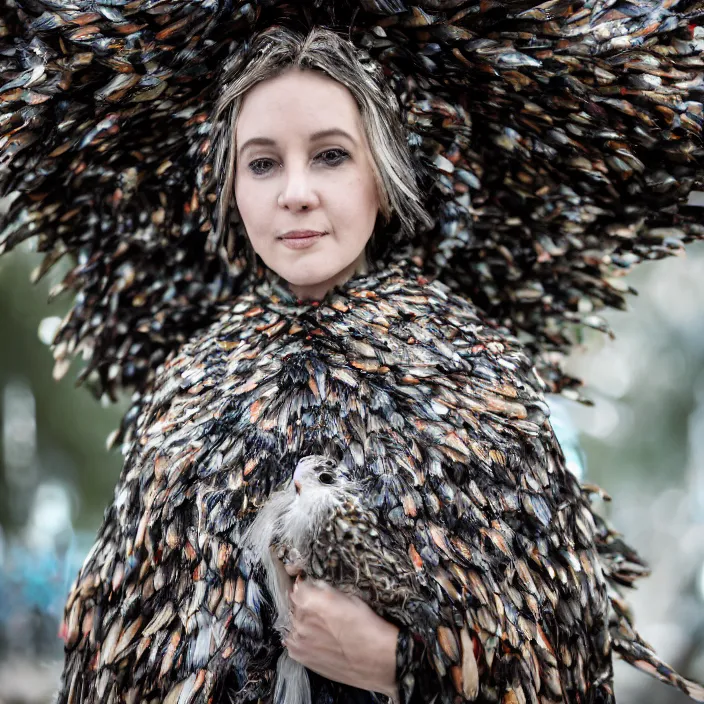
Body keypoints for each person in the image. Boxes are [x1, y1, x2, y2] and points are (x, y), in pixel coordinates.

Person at [52, 24, 704, 704]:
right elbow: (113, 661)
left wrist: (407, 665)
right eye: (263, 163)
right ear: (231, 190)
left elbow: (570, 659)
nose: (295, 192)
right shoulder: (181, 396)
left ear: (382, 178)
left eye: (330, 156)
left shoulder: (474, 372)